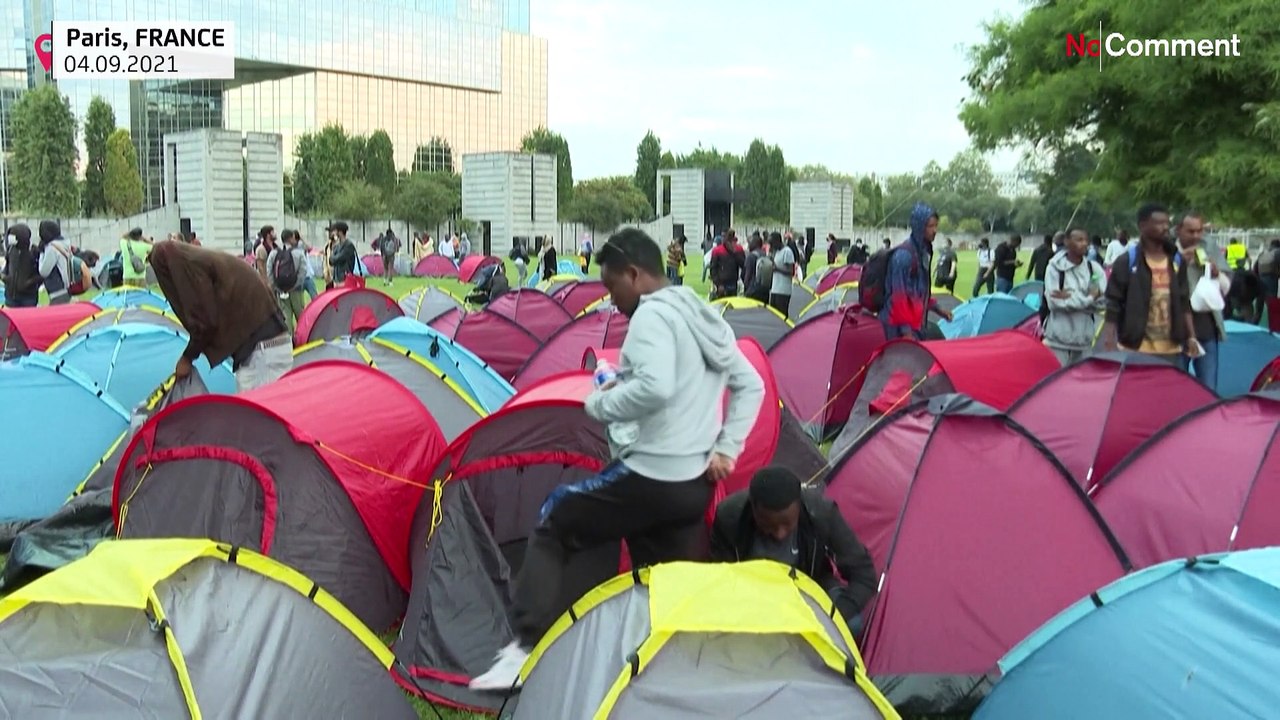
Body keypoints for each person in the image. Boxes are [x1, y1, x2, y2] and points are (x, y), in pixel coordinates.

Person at [469, 228, 764, 691]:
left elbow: (655, 387)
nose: (611, 299)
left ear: (635, 274)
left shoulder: (650, 316)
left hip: (651, 474)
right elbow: (752, 384)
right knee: (665, 581)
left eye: (612, 287)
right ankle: (683, 676)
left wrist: (601, 404)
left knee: (556, 519)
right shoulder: (703, 314)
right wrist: (727, 447)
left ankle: (524, 649)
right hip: (693, 483)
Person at [710, 466, 876, 634]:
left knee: (851, 624)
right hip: (753, 594)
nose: (779, 534)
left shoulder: (821, 514)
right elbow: (721, 578)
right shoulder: (731, 517)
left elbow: (864, 575)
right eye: (768, 526)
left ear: (799, 506)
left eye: (788, 524)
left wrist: (832, 615)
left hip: (810, 588)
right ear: (753, 509)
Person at [149, 240, 291, 393]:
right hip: (266, 349)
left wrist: (187, 358)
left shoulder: (195, 268)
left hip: (263, 354)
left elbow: (204, 321)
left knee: (258, 413)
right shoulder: (210, 262)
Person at [1102, 203, 1197, 362]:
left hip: (1171, 349)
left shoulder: (1176, 259)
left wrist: (1191, 336)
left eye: (1167, 223)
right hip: (1135, 348)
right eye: (1159, 223)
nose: (1166, 227)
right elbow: (1113, 304)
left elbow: (1184, 301)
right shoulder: (1127, 262)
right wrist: (1109, 339)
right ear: (1142, 226)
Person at [881, 202, 953, 340]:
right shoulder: (903, 256)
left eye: (936, 225)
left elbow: (919, 292)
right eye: (930, 226)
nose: (935, 230)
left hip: (915, 325)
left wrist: (939, 309)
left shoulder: (922, 253)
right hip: (896, 329)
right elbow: (899, 298)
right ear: (919, 227)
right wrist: (906, 333)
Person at [1175, 212, 1225, 390]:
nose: (1196, 236)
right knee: (1175, 387)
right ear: (1178, 230)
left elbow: (1226, 286)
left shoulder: (1209, 246)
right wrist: (1180, 262)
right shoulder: (1167, 251)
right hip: (1175, 333)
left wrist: (1218, 274)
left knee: (1208, 388)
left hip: (1207, 330)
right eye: (1190, 231)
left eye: (1199, 231)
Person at [1043, 228, 1104, 366]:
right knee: (1056, 382)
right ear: (1067, 242)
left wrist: (1072, 297)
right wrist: (1088, 298)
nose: (1084, 244)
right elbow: (1055, 303)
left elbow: (1102, 301)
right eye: (1079, 240)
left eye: (1086, 240)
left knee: (1082, 385)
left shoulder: (1094, 268)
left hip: (1084, 340)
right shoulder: (1055, 268)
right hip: (1058, 341)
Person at [267, 229, 309, 332]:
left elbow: (269, 273)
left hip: (281, 291)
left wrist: (277, 287)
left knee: (286, 316)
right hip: (296, 290)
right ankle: (303, 338)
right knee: (300, 316)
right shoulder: (299, 254)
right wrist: (295, 285)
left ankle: (289, 339)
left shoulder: (274, 253)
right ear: (291, 238)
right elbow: (303, 272)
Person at [36, 220, 73, 305]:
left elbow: (43, 271)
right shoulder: (65, 244)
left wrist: (41, 253)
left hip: (58, 291)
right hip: (67, 288)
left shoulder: (52, 248)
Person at [2, 224, 40, 308]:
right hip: (11, 295)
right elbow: (7, 266)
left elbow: (41, 273)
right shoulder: (11, 249)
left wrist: (29, 282)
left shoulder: (33, 251)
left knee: (28, 319)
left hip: (28, 296)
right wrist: (5, 278)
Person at [708, 230, 745, 298]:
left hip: (733, 282)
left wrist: (734, 252)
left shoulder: (738, 249)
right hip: (722, 283)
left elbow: (743, 265)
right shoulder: (717, 250)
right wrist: (718, 284)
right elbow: (713, 269)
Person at [768, 231, 795, 314]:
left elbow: (791, 271)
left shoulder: (787, 251)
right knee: (774, 314)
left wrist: (777, 269)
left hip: (783, 290)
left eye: (772, 243)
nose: (771, 246)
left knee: (782, 314)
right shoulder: (777, 252)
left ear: (777, 241)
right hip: (775, 288)